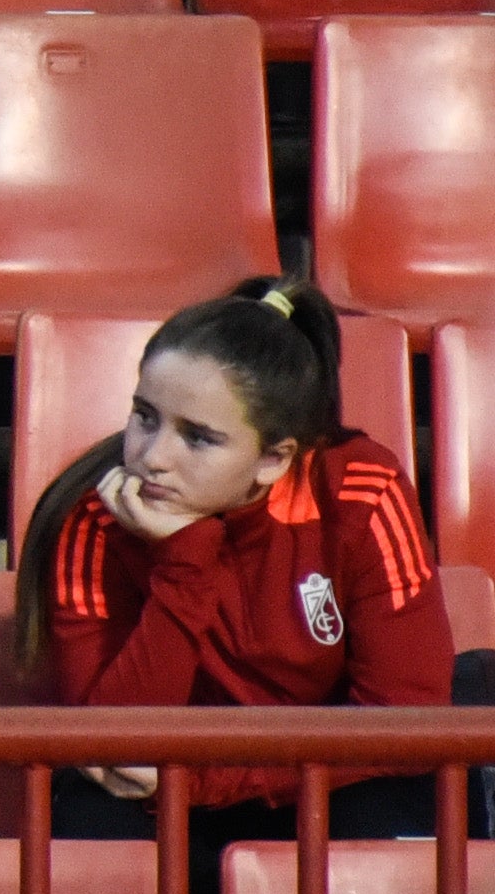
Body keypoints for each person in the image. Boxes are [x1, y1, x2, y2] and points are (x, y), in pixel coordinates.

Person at [24, 277, 452, 843]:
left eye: (198, 438)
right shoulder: (98, 517)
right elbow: (117, 749)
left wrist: (204, 782)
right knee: (92, 825)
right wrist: (185, 561)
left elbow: (405, 722)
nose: (153, 459)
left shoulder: (361, 490)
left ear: (273, 460)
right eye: (144, 416)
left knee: (391, 824)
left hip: (326, 780)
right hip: (166, 793)